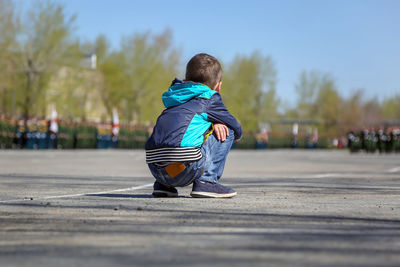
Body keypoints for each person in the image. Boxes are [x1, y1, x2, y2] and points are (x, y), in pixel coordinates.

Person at [145, 53, 242, 198]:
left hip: (156, 169)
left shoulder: (175, 97)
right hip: (184, 168)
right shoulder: (209, 97)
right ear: (218, 86)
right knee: (227, 129)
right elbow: (235, 126)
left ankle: (164, 186)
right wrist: (219, 124)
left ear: (185, 80)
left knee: (178, 133)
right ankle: (207, 182)